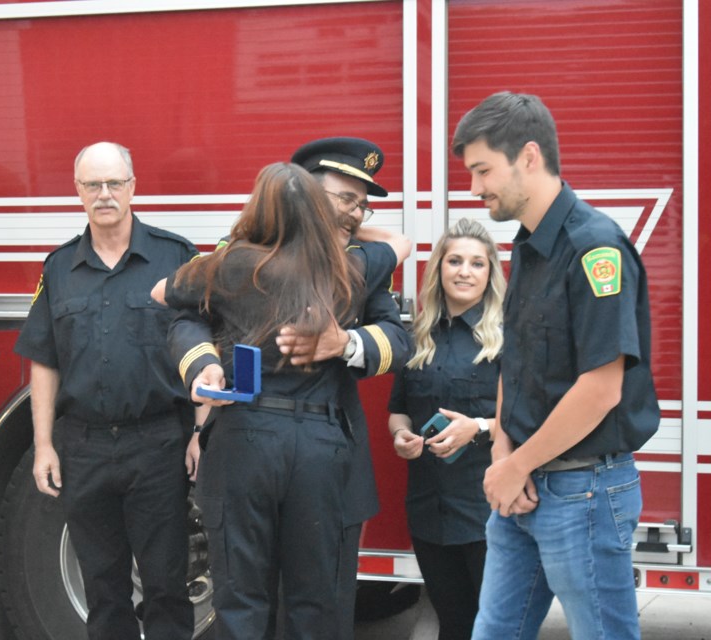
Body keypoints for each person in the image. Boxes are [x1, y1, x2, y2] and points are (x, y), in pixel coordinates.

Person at [172, 137, 413, 638]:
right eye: (346, 199)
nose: (356, 212)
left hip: (322, 443)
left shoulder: (360, 260)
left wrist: (343, 343)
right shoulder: (240, 251)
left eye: (363, 203)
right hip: (253, 436)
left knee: (318, 607)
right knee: (246, 602)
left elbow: (397, 339)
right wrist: (202, 364)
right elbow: (185, 317)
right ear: (306, 192)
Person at [451, 91, 660, 639]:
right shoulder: (528, 247)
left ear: (528, 156)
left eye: (482, 170)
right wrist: (503, 452)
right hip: (521, 485)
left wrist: (517, 466)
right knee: (494, 631)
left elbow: (600, 389)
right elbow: (514, 360)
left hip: (583, 494)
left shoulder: (594, 248)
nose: (475, 189)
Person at [14, 141, 197, 640]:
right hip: (84, 448)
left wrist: (202, 430)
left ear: (133, 187)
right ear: (78, 193)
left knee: (165, 585)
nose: (104, 193)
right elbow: (44, 363)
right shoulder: (58, 270)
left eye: (114, 182)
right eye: (92, 185)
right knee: (103, 588)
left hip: (158, 444)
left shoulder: (176, 257)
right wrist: (45, 445)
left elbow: (208, 352)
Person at [388, 218, 505, 640]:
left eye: (477, 263)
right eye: (454, 260)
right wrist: (400, 435)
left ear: (490, 273)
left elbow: (534, 419)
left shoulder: (506, 339)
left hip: (488, 511)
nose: (464, 271)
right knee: (452, 622)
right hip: (428, 508)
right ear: (438, 268)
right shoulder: (418, 336)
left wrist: (477, 426)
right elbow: (399, 409)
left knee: (494, 626)